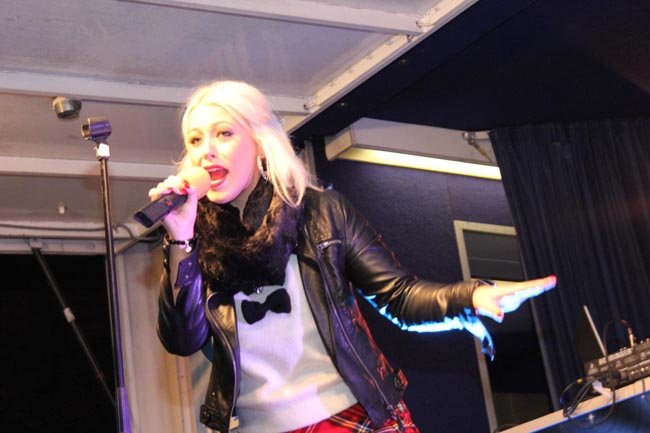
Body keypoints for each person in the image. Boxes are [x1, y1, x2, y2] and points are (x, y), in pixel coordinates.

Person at [151, 80, 556, 433]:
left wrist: (471, 296)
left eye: (223, 133)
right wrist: (181, 240)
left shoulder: (320, 212)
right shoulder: (191, 242)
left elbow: (399, 296)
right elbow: (183, 340)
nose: (206, 151)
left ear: (260, 141)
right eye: (195, 140)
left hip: (354, 415)